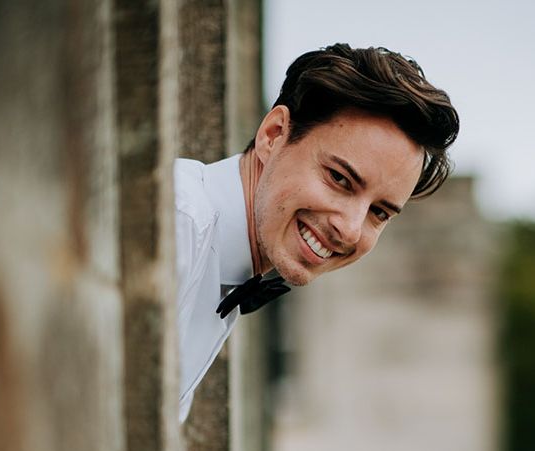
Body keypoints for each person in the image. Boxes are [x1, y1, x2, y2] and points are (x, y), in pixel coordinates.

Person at [175, 43, 459, 421]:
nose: (351, 229)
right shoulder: (179, 224)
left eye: (379, 212)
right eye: (339, 178)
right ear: (273, 135)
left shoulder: (218, 252)